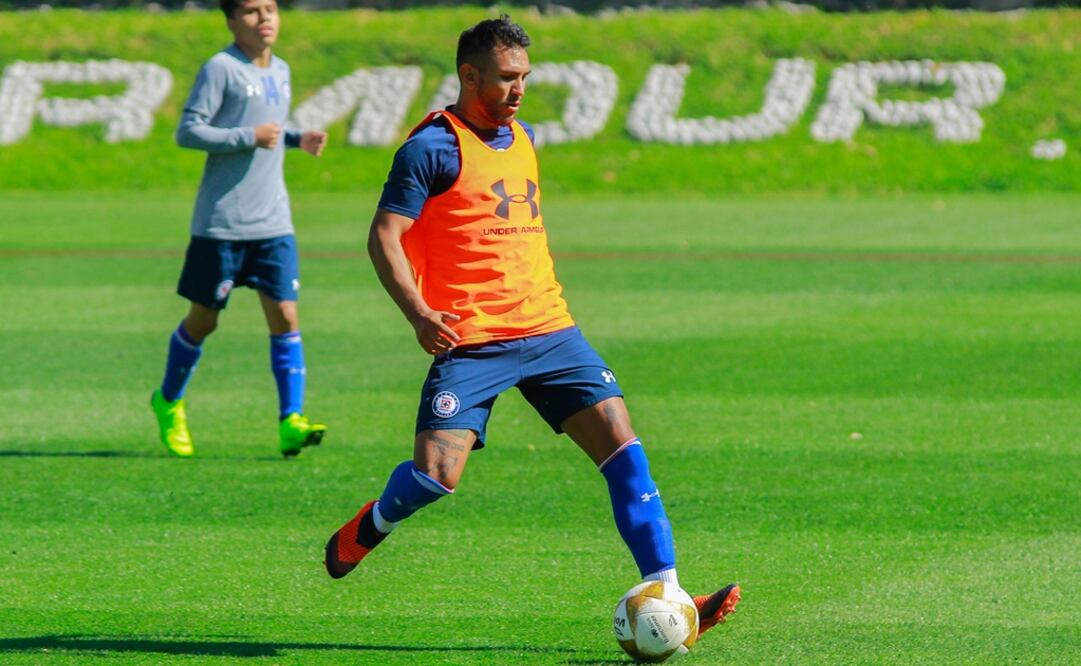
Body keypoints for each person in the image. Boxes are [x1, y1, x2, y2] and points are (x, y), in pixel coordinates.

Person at [324, 15, 740, 637]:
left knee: (625, 451)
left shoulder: (524, 135)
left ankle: (672, 593)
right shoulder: (431, 147)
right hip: (471, 341)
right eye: (506, 78)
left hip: (552, 332)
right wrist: (418, 314)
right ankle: (373, 523)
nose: (519, 90)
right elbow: (385, 235)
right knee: (437, 477)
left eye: (525, 77)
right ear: (469, 76)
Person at [150, 0, 327, 458]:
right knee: (203, 321)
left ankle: (291, 420)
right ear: (231, 21)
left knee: (286, 316)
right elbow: (188, 132)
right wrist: (247, 138)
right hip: (222, 224)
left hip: (273, 221)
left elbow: (270, 125)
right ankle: (168, 401)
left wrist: (295, 137)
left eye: (270, 9)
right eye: (251, 11)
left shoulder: (281, 70)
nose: (264, 18)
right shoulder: (220, 69)